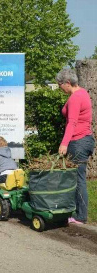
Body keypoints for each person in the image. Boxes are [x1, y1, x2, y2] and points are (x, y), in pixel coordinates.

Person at [56, 69, 95, 225]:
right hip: (85, 140)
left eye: (60, 84)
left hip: (78, 141)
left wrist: (64, 143)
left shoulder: (75, 98)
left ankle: (80, 216)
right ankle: (77, 211)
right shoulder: (82, 93)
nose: (59, 87)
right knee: (77, 178)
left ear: (67, 83)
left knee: (78, 180)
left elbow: (72, 122)